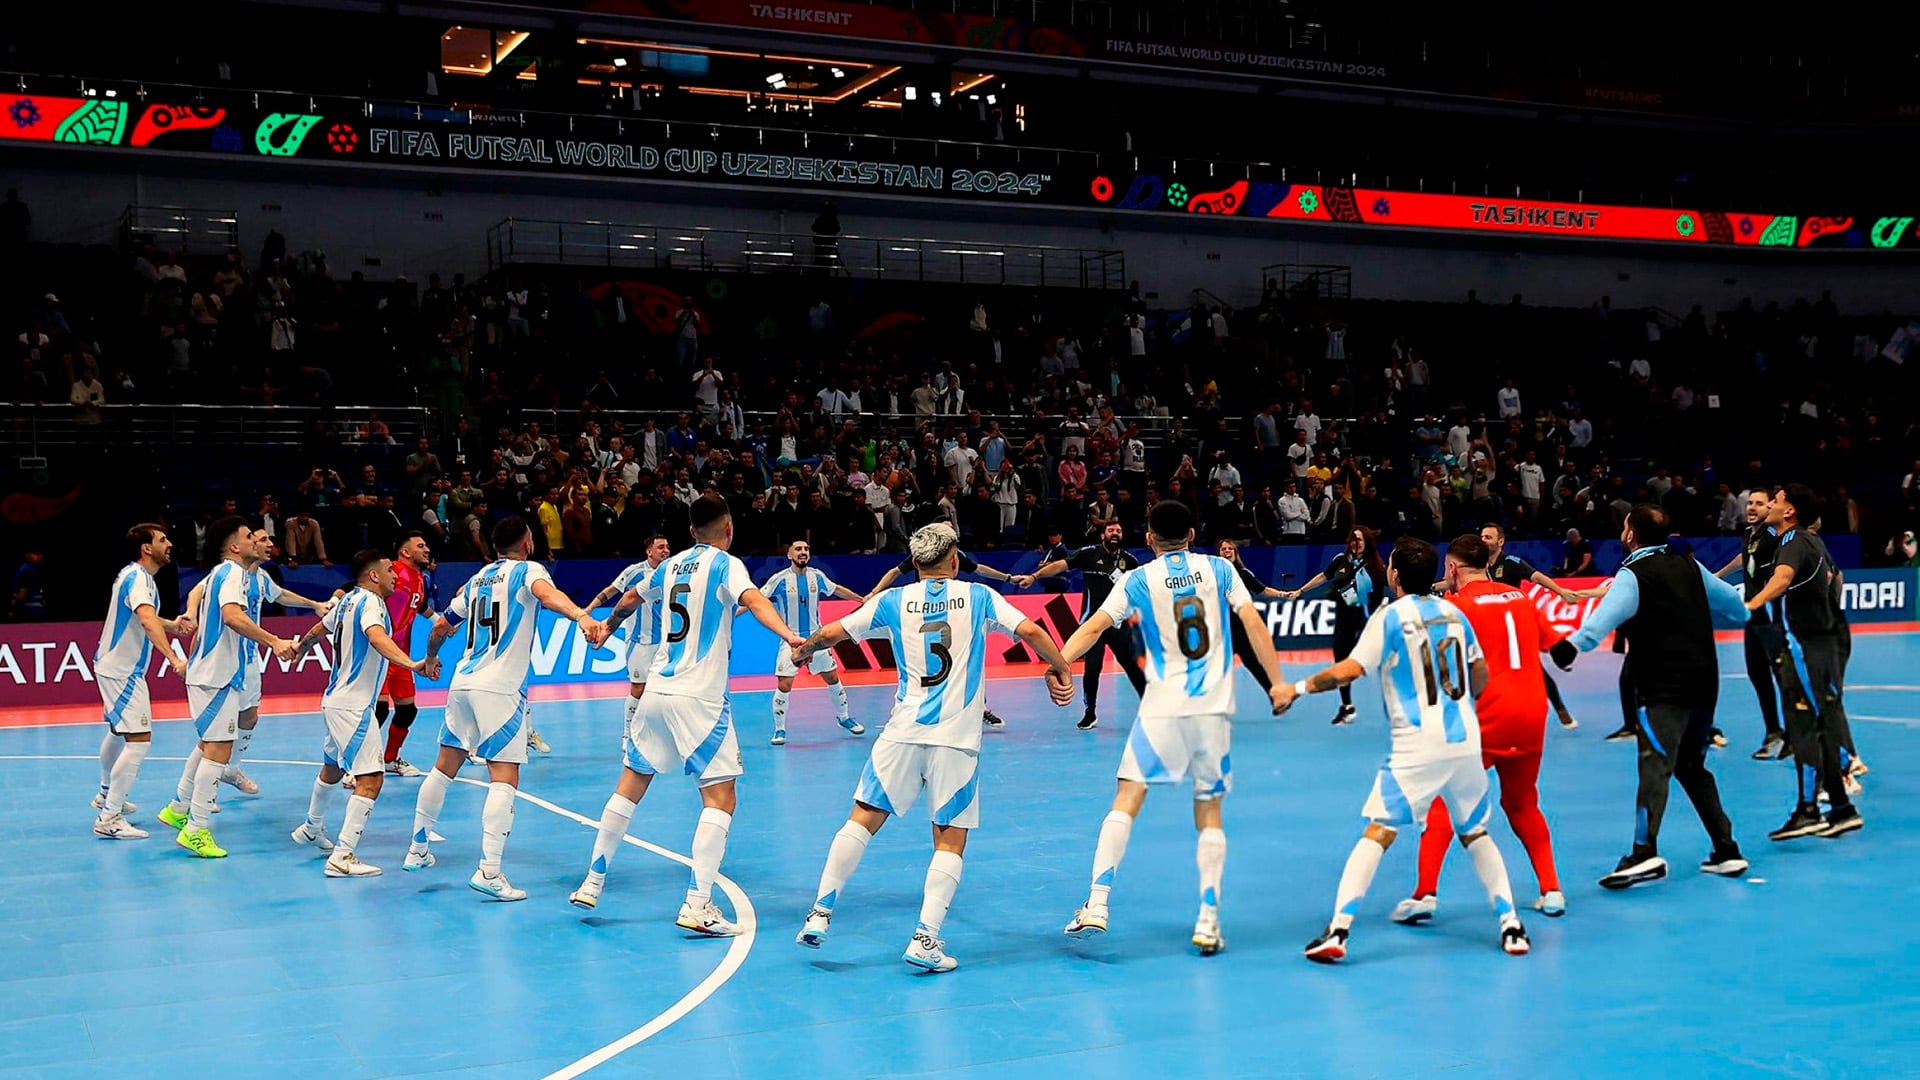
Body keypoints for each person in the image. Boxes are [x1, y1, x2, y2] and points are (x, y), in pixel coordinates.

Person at [791, 523, 1075, 972]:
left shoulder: (893, 600)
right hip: (956, 741)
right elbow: (1033, 631)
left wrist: (803, 650)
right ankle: (925, 939)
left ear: (916, 564)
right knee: (949, 838)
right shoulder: (978, 597)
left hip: (902, 732)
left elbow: (832, 633)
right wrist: (1062, 669)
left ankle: (820, 914)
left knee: (862, 819)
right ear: (955, 560)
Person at [1057, 501, 1291, 956]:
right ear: (1191, 531)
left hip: (1162, 707)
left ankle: (1098, 904)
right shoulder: (1220, 570)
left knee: (1126, 798)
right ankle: (1207, 919)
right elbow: (1253, 623)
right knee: (1209, 810)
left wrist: (1059, 663)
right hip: (1213, 709)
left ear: (1148, 539)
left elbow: (1095, 627)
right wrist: (1278, 682)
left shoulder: (1135, 579)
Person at [566, 496, 802, 933]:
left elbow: (629, 599)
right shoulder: (726, 564)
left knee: (630, 784)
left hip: (656, 690)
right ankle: (698, 905)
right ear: (728, 529)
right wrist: (791, 636)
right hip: (700, 698)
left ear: (691, 530)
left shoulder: (669, 565)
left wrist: (606, 629)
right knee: (720, 798)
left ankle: (593, 881)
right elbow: (755, 600)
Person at [1292, 536, 1532, 961]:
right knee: (1476, 833)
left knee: (1378, 832)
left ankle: (1339, 932)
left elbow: (1351, 668)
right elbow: (1479, 675)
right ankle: (1511, 926)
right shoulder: (1455, 613)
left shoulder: (1390, 617)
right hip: (1465, 741)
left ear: (1395, 575)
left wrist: (1296, 687)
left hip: (1417, 747)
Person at [407, 517, 609, 900]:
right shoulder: (527, 571)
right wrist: (582, 615)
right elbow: (547, 596)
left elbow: (439, 628)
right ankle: (490, 871)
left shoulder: (477, 580)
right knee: (504, 778)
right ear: (528, 543)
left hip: (463, 683)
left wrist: (430, 658)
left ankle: (417, 848)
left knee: (443, 766)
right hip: (499, 689)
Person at [1552, 505, 1750, 888]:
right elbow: (1737, 608)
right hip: (1705, 684)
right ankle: (1726, 850)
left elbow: (1601, 622)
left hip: (1662, 686)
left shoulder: (1633, 574)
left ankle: (1644, 854)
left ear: (1630, 535)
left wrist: (1570, 648)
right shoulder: (1690, 565)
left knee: (1654, 766)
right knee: (1691, 766)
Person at [1391, 534, 1569, 925]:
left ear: (1453, 569)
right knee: (1522, 803)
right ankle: (1551, 890)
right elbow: (1561, 649)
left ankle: (1424, 894)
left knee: (1443, 800)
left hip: (1489, 716)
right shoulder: (1520, 597)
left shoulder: (1455, 606)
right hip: (1532, 715)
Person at [156, 518, 302, 857]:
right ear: (235, 546)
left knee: (210, 745)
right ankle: (196, 829)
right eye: (250, 536)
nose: (257, 540)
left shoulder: (224, 573)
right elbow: (233, 616)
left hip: (215, 673)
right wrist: (273, 640)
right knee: (219, 751)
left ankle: (178, 808)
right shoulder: (233, 573)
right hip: (216, 674)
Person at [287, 550, 437, 877]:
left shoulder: (346, 601)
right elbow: (378, 637)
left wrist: (300, 647)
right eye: (389, 571)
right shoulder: (371, 603)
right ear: (373, 576)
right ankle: (343, 857)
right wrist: (412, 663)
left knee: (331, 767)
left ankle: (311, 827)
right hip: (353, 706)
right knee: (371, 778)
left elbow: (319, 628)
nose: (395, 576)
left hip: (335, 700)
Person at [1743, 485, 1862, 840]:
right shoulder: (1803, 541)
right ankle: (1828, 809)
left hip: (1806, 649)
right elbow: (1827, 578)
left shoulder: (1794, 541)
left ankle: (1823, 806)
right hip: (1813, 644)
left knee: (1810, 726)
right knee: (1811, 726)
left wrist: (1748, 606)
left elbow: (1781, 579)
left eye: (1777, 501)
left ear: (1790, 511)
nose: (1770, 506)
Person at [180, 527, 333, 799]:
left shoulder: (259, 578)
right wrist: (191, 614)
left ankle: (223, 775)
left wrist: (314, 605)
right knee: (214, 739)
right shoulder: (228, 573)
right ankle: (190, 802)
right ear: (237, 546)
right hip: (220, 665)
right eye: (257, 538)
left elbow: (281, 595)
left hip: (245, 659)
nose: (264, 543)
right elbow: (212, 605)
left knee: (247, 717)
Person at [90, 524, 191, 839]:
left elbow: (144, 616)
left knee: (119, 732)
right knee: (139, 739)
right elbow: (146, 621)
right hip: (123, 671)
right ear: (146, 548)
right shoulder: (138, 578)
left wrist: (172, 625)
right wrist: (174, 659)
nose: (169, 543)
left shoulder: (134, 576)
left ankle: (107, 794)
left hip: (114, 666)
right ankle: (109, 818)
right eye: (162, 540)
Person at [1014, 518, 1145, 730]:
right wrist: (1035, 575)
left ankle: (1150, 710)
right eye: (1111, 530)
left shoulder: (1130, 561)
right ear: (1102, 534)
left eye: (1119, 531)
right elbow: (1060, 565)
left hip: (1119, 624)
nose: (1115, 533)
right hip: (1092, 627)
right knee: (1092, 669)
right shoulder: (1088, 554)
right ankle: (1090, 712)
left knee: (1134, 668)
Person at [868, 547, 1018, 729]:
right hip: (920, 613)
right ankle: (908, 712)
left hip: (950, 609)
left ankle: (980, 709)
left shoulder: (957, 555)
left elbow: (979, 569)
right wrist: (875, 592)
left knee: (965, 662)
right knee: (918, 668)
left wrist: (1008, 578)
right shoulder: (923, 553)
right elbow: (894, 572)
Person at [761, 540, 868, 745]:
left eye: (807, 549)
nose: (803, 552)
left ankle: (844, 718)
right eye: (799, 549)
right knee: (785, 683)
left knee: (832, 677)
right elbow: (757, 599)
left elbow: (836, 589)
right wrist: (734, 614)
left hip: (816, 638)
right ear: (789, 555)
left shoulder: (817, 576)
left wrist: (861, 599)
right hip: (790, 639)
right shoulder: (779, 579)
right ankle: (780, 729)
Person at [1478, 523, 1582, 731]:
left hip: (1514, 626)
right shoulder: (1476, 565)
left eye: (1488, 537)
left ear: (1500, 542)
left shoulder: (1512, 563)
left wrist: (1561, 591)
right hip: (1488, 626)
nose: (1483, 540)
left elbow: (1537, 577)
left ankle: (1560, 708)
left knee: (1535, 669)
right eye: (1481, 536)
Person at [1282, 527, 1387, 724]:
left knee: (1379, 662)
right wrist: (1300, 590)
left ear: (1367, 543)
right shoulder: (1341, 560)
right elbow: (1323, 576)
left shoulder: (1375, 565)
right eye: (1353, 540)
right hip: (1344, 620)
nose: (1356, 543)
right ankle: (1347, 706)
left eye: (1360, 540)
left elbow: (1387, 588)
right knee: (1341, 662)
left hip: (1368, 622)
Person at [1714, 489, 1789, 759]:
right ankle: (1774, 732)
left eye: (1759, 503)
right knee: (1757, 674)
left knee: (1784, 677)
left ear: (1771, 507)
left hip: (1771, 616)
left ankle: (1794, 734)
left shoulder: (1774, 537)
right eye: (1750, 503)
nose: (1752, 508)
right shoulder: (1750, 534)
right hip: (1752, 617)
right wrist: (1717, 576)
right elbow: (1744, 558)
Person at [594, 534, 672, 759]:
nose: (665, 550)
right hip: (638, 641)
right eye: (660, 547)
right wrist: (588, 610)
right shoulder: (633, 572)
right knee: (638, 689)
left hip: (664, 642)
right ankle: (627, 735)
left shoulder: (671, 571)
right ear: (649, 551)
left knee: (663, 689)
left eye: (667, 547)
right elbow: (611, 591)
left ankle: (658, 734)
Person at [380, 532, 434, 776]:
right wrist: (333, 600)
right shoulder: (390, 569)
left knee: (407, 710)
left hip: (402, 656)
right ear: (405, 552)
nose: (426, 549)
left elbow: (418, 603)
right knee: (378, 711)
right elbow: (353, 586)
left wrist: (437, 620)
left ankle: (390, 760)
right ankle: (357, 766)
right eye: (420, 546)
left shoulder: (421, 578)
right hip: (380, 652)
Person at [1209, 539, 1287, 696]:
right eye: (1223, 549)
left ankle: (1275, 696)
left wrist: (1283, 594)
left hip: (1240, 628)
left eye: (1230, 548)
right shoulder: (1210, 573)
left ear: (1235, 553)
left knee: (1253, 663)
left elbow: (1262, 590)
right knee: (1215, 667)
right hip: (1221, 628)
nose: (1227, 551)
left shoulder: (1243, 574)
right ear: (1218, 553)